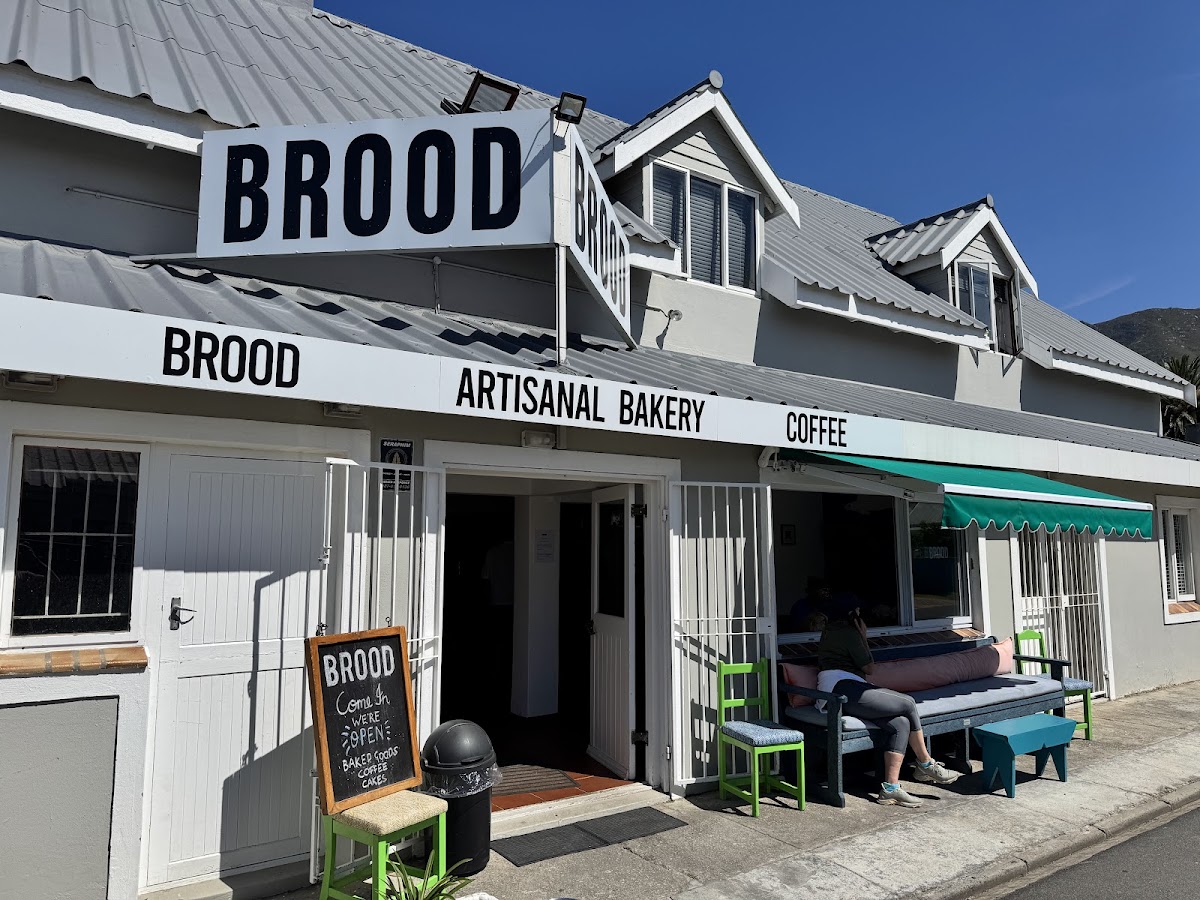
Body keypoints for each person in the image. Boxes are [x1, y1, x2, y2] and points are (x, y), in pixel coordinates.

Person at [817, 592, 958, 807]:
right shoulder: (849, 633)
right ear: (852, 615)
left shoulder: (829, 632)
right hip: (843, 687)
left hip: (839, 691)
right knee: (908, 703)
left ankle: (890, 788)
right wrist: (863, 637)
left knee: (900, 723)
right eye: (858, 612)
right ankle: (925, 762)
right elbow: (869, 668)